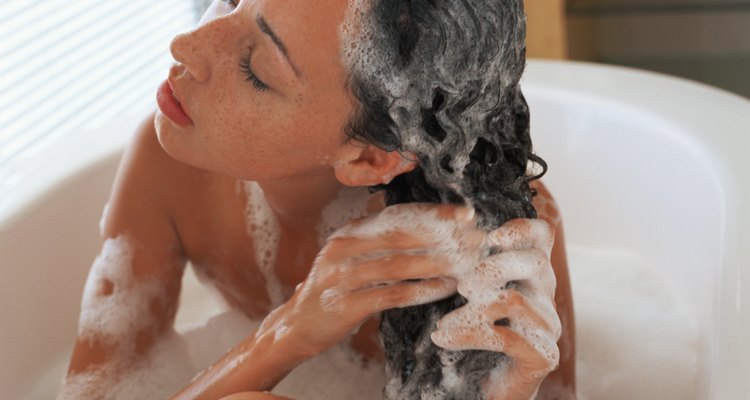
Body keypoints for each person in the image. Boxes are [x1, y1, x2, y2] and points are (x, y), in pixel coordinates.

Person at [61, 0, 576, 399]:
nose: (186, 45)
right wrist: (287, 335)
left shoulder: (494, 245)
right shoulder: (170, 159)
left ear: (370, 160)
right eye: (234, 0)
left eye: (257, 71)